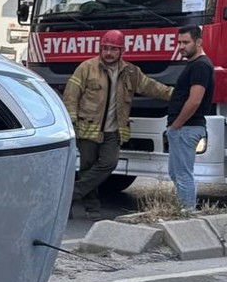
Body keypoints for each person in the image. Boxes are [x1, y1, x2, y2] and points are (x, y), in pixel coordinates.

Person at [63, 29, 172, 219]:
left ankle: (69, 197)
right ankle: (92, 208)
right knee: (88, 168)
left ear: (122, 51)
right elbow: (71, 95)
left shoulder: (131, 72)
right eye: (105, 48)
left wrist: (177, 95)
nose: (108, 53)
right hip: (87, 128)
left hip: (114, 130)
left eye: (113, 49)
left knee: (109, 163)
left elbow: (152, 87)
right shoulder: (86, 68)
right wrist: (71, 121)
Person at [165, 25, 215, 212]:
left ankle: (187, 213)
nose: (181, 46)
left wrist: (176, 125)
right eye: (179, 42)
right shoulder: (195, 65)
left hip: (186, 128)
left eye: (185, 42)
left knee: (183, 174)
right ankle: (183, 210)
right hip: (184, 128)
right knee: (176, 172)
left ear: (199, 42)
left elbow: (194, 101)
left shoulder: (200, 66)